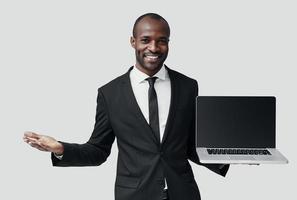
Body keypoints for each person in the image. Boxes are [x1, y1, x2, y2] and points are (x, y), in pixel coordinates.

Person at [23, 13, 229, 200]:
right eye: (145, 40)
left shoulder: (188, 86)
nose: (154, 48)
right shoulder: (110, 93)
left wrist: (231, 155)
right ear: (133, 42)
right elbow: (98, 150)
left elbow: (190, 145)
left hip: (183, 193)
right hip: (134, 195)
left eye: (162, 41)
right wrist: (61, 149)